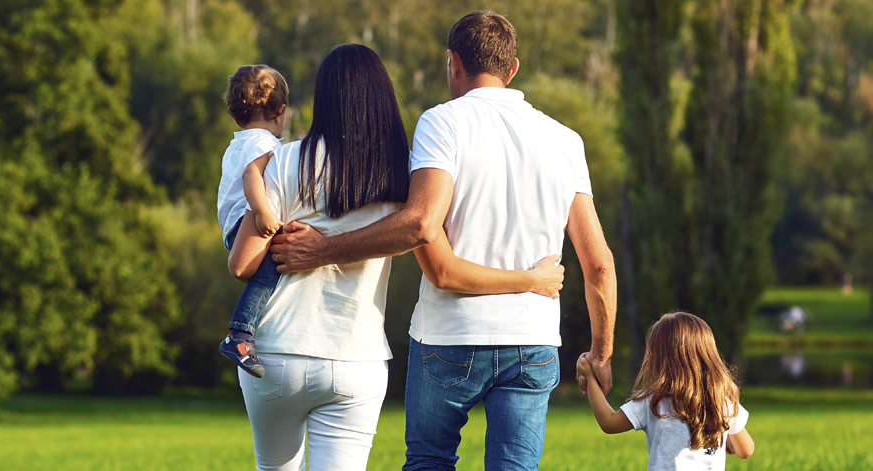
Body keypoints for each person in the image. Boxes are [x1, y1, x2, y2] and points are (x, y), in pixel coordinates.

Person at [267, 11, 617, 471]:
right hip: (531, 341)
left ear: (452, 62)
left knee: (430, 461)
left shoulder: (443, 123)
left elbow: (420, 227)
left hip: (449, 337)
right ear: (512, 70)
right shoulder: (565, 140)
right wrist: (601, 353)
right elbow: (598, 266)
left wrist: (324, 249)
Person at [576, 312, 755, 470]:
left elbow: (609, 423)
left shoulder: (653, 401)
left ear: (657, 358)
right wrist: (726, 441)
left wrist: (591, 380)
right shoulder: (721, 402)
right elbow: (746, 450)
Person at [215, 64, 289, 378]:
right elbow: (252, 176)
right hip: (248, 224)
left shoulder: (239, 142)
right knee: (274, 267)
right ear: (280, 111)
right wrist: (262, 212)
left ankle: (248, 331)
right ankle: (240, 333)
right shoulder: (265, 143)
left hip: (232, 227)